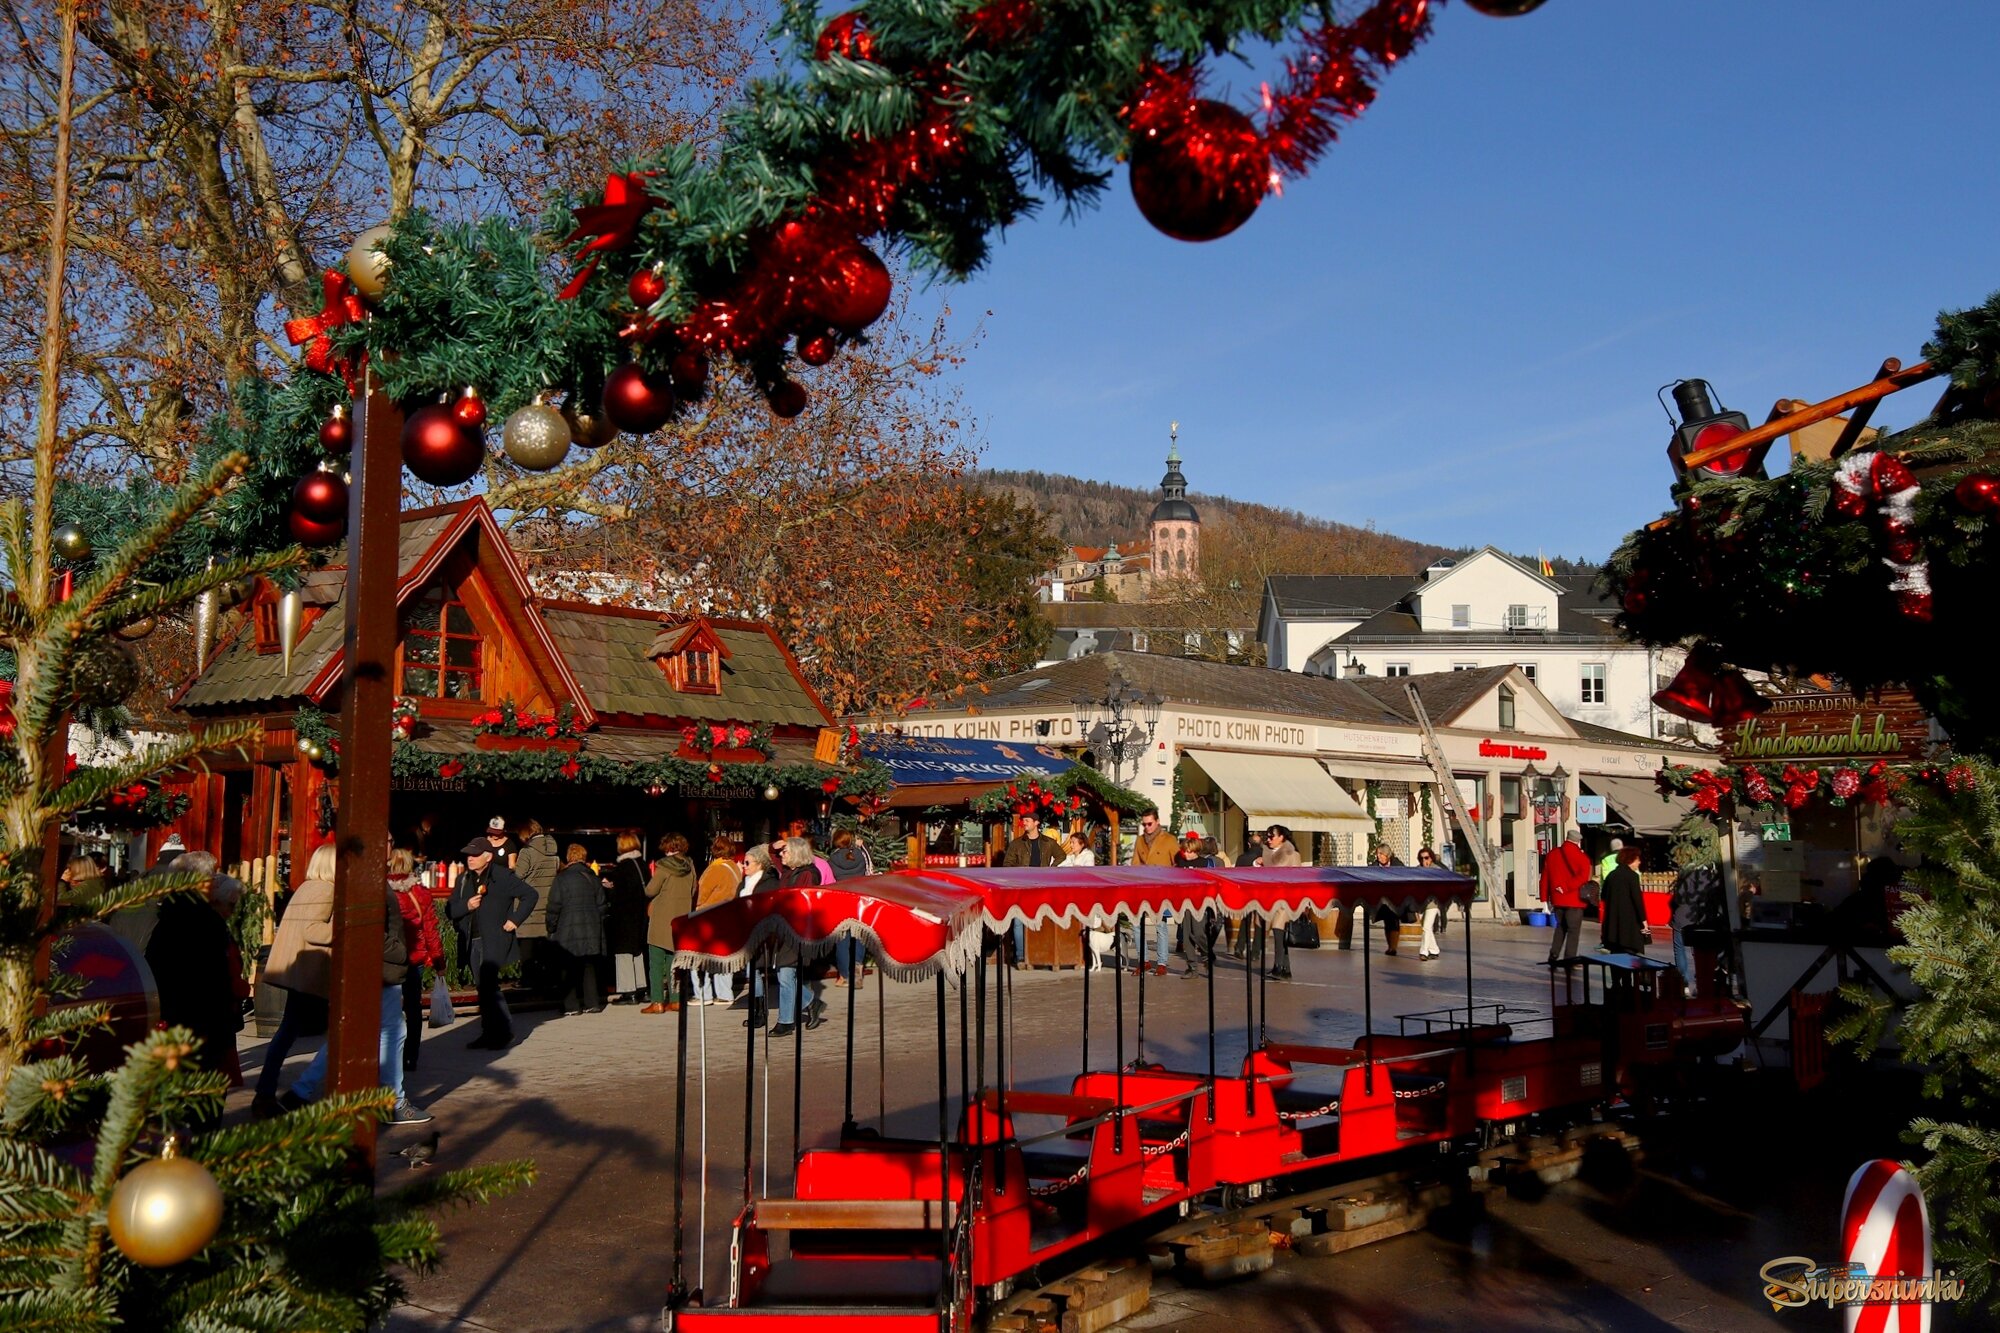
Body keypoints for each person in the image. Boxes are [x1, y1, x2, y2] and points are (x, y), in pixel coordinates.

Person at [287, 876, 432, 1125]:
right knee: (391, 1032)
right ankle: (392, 1102)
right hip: (379, 969)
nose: (389, 844)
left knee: (350, 1033)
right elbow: (370, 927)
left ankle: (301, 1090)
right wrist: (399, 951)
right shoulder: (368, 878)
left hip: (369, 967)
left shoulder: (362, 878)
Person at [145, 853, 242, 1098]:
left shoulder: (166, 916)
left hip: (173, 1018)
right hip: (201, 1022)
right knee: (203, 1097)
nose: (215, 882)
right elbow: (214, 979)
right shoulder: (205, 921)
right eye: (211, 877)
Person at [253, 842, 336, 1119]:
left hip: (298, 971)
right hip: (310, 974)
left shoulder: (306, 887)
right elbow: (315, 931)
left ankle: (266, 1093)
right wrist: (344, 924)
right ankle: (273, 1093)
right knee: (320, 1032)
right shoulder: (327, 890)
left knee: (286, 1033)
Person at [446, 836, 539, 1051]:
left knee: (489, 985)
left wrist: (514, 920)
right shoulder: (463, 880)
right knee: (483, 987)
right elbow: (450, 910)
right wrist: (466, 906)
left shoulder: (503, 876)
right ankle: (489, 1033)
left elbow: (530, 895)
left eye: (475, 855)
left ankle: (503, 1031)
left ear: (487, 857)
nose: (470, 858)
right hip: (472, 940)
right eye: (468, 854)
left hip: (494, 939)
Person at [390, 848, 442, 1072]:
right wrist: (439, 961)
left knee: (388, 1009)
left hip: (389, 960)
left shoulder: (382, 892)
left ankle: (389, 1054)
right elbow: (431, 929)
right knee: (413, 1009)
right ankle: (411, 1056)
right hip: (414, 959)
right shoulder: (420, 893)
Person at [546, 842, 609, 1015]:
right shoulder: (593, 878)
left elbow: (554, 906)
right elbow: (602, 906)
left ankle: (572, 1006)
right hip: (591, 929)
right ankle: (592, 1003)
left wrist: (551, 927)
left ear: (569, 857)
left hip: (568, 930)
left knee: (569, 968)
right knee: (589, 967)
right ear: (583, 857)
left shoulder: (561, 878)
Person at [642, 834, 696, 1013]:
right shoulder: (690, 866)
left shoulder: (663, 866)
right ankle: (676, 1000)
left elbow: (650, 891)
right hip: (681, 920)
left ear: (667, 847)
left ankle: (657, 1001)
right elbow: (694, 889)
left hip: (661, 919)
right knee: (675, 963)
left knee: (656, 963)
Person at [999, 812, 1061, 968]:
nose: (1024, 823)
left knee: (1041, 920)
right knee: (1019, 921)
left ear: (1036, 823)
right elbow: (1007, 864)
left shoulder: (1048, 842)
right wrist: (1019, 873)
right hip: (1022, 887)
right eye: (1023, 821)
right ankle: (1021, 957)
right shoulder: (1016, 843)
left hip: (1042, 886)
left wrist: (1051, 869)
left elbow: (1061, 855)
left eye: (1027, 821)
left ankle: (1040, 955)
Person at [690, 837, 742, 1006]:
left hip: (709, 917)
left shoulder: (715, 869)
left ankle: (702, 994)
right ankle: (725, 993)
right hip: (729, 916)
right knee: (723, 956)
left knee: (698, 957)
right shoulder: (734, 868)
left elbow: (700, 895)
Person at [512, 818, 560, 998]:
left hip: (529, 906)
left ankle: (527, 980)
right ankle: (545, 980)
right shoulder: (553, 852)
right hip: (547, 905)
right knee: (542, 947)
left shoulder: (527, 852)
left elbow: (517, 878)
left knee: (527, 947)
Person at [1128, 809, 1179, 975]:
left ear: (1157, 822)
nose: (1147, 827)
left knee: (1160, 926)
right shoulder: (1140, 841)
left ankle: (1162, 962)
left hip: (1161, 889)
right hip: (1142, 888)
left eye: (1149, 823)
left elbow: (1177, 864)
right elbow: (1135, 864)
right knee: (1136, 925)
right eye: (1144, 824)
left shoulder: (1169, 840)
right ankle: (1143, 961)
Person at [602, 831, 650, 1002]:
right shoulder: (641, 864)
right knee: (638, 952)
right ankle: (642, 988)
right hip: (641, 915)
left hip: (625, 917)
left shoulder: (623, 867)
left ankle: (628, 991)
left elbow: (619, 895)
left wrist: (609, 888)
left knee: (623, 954)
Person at [825, 828, 872, 986]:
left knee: (842, 938)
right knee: (858, 936)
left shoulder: (831, 860)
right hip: (859, 901)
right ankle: (857, 969)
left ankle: (844, 975)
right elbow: (869, 868)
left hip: (840, 901)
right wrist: (862, 847)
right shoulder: (859, 855)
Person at [1540, 829, 1593, 964]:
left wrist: (1544, 898)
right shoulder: (1582, 857)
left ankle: (1553, 955)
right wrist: (1566, 887)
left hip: (1557, 899)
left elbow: (1545, 877)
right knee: (1573, 931)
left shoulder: (1552, 854)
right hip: (1575, 900)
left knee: (1560, 927)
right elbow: (1583, 878)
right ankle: (1569, 959)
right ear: (1578, 841)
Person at [1254, 824, 1300, 980]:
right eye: (1267, 836)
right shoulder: (1265, 853)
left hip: (1285, 899)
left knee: (1278, 930)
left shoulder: (1292, 854)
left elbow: (1297, 879)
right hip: (1269, 898)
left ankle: (1278, 966)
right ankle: (1285, 968)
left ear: (1281, 837)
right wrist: (1257, 864)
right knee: (1279, 933)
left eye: (1271, 836)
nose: (1269, 839)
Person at [1599, 843, 1649, 955]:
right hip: (1629, 926)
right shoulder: (1632, 877)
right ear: (1630, 860)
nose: (1639, 862)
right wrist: (1644, 921)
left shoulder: (1611, 875)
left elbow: (1603, 896)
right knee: (1630, 956)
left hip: (1612, 926)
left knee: (1616, 959)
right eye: (1637, 859)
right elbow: (1637, 900)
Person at [1363, 843, 1405, 957]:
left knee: (1394, 921)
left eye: (1381, 854)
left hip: (1395, 898)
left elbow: (1404, 877)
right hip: (1381, 900)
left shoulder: (1397, 864)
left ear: (1387, 855)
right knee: (1387, 921)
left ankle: (1393, 947)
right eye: (1377, 854)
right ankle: (1390, 946)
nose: (1378, 856)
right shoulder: (1374, 866)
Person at [1414, 846, 1445, 961]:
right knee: (1426, 927)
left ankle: (1424, 952)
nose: (1424, 861)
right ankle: (1434, 950)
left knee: (1426, 927)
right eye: (1421, 859)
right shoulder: (1417, 870)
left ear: (1431, 858)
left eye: (1426, 858)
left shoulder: (1437, 870)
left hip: (1434, 902)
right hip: (1422, 902)